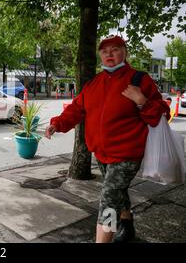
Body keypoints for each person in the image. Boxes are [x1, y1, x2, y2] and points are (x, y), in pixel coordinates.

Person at [45, 35, 170, 243]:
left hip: (127, 154)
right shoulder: (95, 83)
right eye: (105, 51)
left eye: (115, 49)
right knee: (117, 192)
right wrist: (57, 123)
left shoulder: (139, 79)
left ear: (125, 52)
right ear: (100, 56)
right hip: (101, 153)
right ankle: (127, 226)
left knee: (108, 200)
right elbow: (76, 109)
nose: (109, 54)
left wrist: (141, 101)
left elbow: (162, 114)